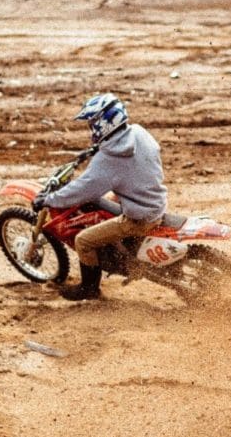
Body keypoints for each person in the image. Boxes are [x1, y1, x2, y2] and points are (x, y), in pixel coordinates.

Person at [33, 93, 168, 300]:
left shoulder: (108, 160)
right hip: (154, 198)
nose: (90, 127)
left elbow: (82, 189)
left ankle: (89, 288)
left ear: (102, 123)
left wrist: (49, 200)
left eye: (92, 123)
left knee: (84, 241)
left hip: (139, 217)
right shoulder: (139, 132)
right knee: (110, 198)